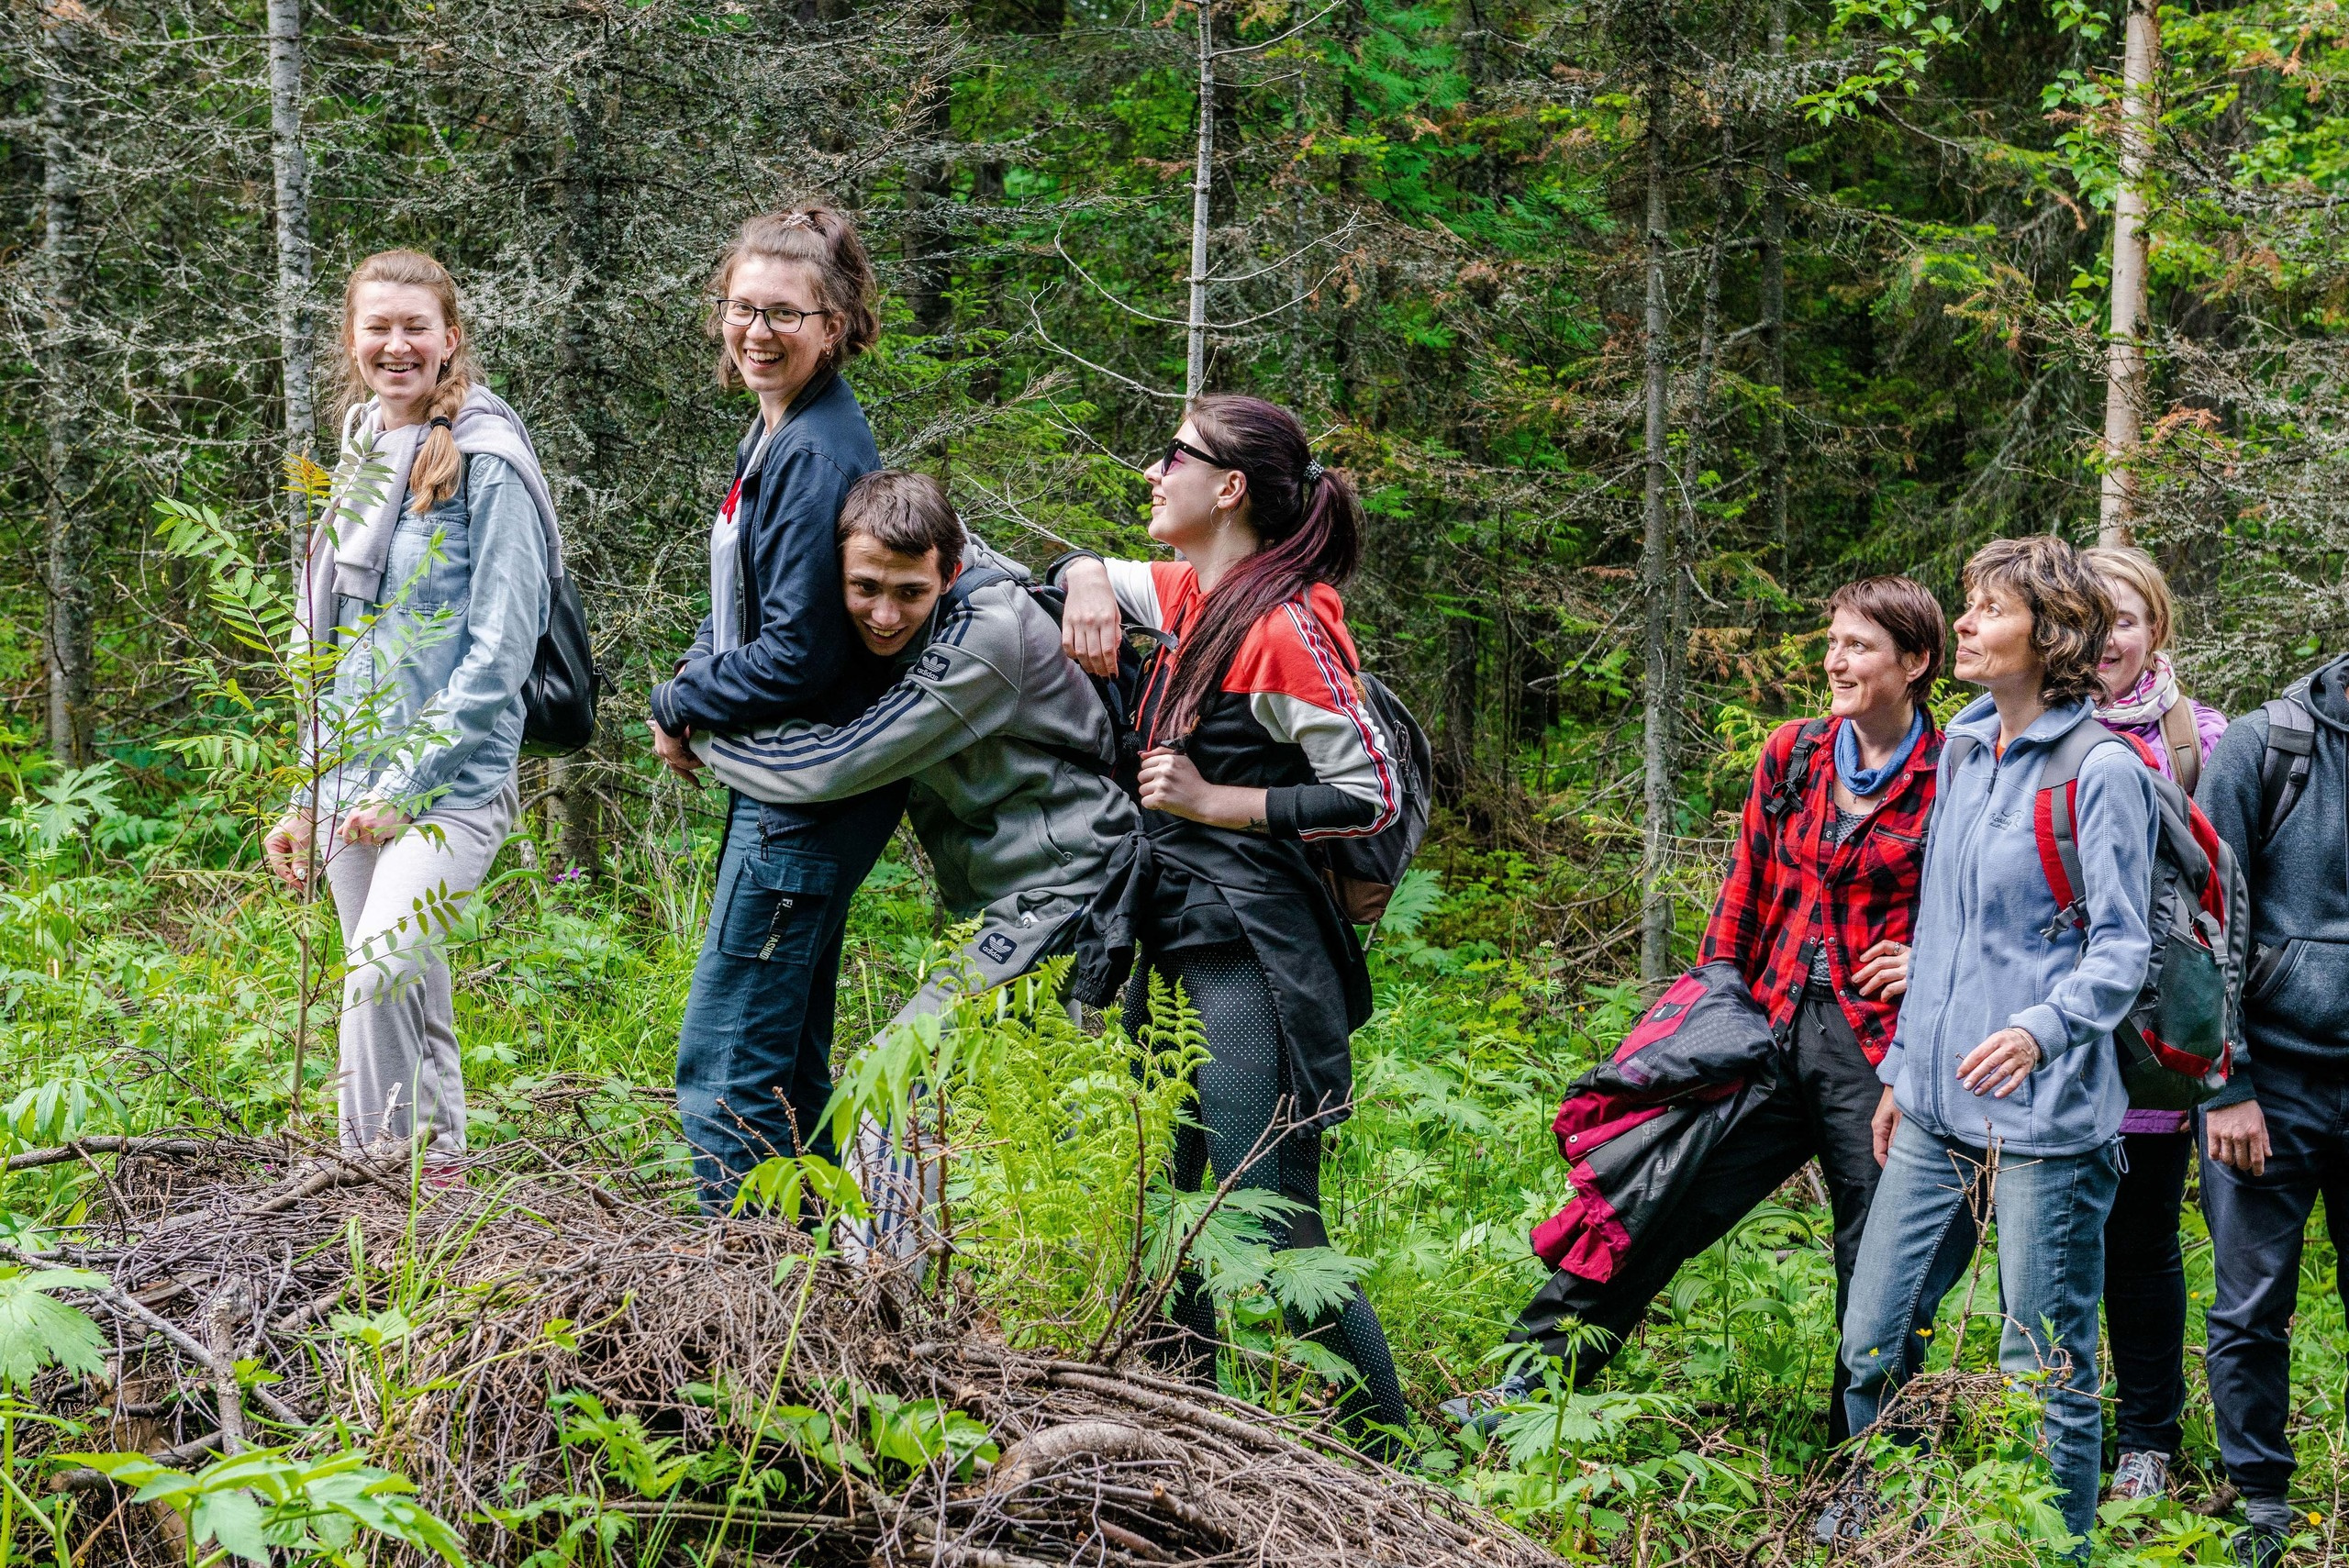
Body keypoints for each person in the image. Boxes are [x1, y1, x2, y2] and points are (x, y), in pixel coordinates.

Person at [1440, 578, 1945, 1442]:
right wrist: (1710, 1016)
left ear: (1917, 661)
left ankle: (1867, 1466)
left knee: (1878, 1263)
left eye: (1858, 646)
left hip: (1876, 1052)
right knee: (1653, 1199)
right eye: (1832, 642)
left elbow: (1982, 907)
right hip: (1767, 1026)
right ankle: (1524, 1391)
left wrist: (1936, 966)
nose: (1834, 661)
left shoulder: (1956, 775)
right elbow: (1740, 900)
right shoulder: (1795, 754)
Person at [1054, 395, 1412, 1452]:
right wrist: (1081, 577)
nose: (1152, 474)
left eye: (1174, 456)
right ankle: (1183, 1444)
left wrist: (1222, 801)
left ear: (1231, 488)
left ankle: (1389, 1456)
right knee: (1166, 1202)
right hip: (1170, 942)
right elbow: (1085, 569)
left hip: (1252, 954)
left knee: (1268, 1212)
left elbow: (1373, 787)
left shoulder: (1279, 624)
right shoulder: (1193, 591)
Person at [685, 471, 1141, 1250]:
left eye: (909, 593)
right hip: (1004, 899)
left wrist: (700, 729)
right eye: (863, 588)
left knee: (896, 1079)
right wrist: (700, 674)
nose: (884, 614)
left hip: (1070, 890)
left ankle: (879, 1302)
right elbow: (747, 612)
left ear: (948, 575)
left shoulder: (988, 639)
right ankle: (1013, 1282)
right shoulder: (888, 577)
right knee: (1045, 1114)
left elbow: (833, 765)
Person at [1822, 535, 2156, 1551]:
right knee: (1871, 1336)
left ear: (2048, 635)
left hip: (2047, 1126)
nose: (1962, 624)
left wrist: (2037, 1027)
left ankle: (2054, 1543)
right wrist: (1898, 1071)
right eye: (1966, 606)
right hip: (1931, 1108)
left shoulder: (2101, 770)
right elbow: (1938, 927)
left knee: (2042, 1363)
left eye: (1986, 610)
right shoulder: (1966, 745)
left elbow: (2122, 947)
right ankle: (1883, 1513)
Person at [263, 249, 559, 1168]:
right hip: (351, 779)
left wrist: (406, 782)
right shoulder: (359, 450)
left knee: (381, 969)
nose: (396, 344)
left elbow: (501, 649)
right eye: (378, 327)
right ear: (352, 341)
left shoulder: (489, 462)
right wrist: (309, 792)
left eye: (414, 327)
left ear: (449, 339)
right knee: (408, 1003)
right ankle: (436, 1196)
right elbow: (331, 647)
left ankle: (368, 1182)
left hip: (451, 785)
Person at [645, 206, 896, 1207]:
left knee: (727, 1065)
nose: (756, 330)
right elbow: (743, 608)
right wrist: (693, 684)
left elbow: (798, 652)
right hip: (794, 784)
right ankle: (828, 1297)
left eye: (783, 313)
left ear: (833, 324)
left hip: (808, 791)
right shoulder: (780, 428)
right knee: (786, 1057)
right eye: (741, 307)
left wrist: (677, 699)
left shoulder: (819, 452)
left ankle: (745, 1313)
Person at [2194, 649, 2349, 1568]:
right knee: (2251, 1304)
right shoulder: (2261, 748)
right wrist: (2226, 1083)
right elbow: (2203, 923)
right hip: (2270, 1085)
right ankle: (2259, 1499)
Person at [2081, 545, 2229, 1506]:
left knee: (2136, 1247)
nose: (2105, 637)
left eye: (2124, 617)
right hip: (2046, 1047)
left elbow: (2230, 902)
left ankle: (2145, 1436)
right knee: (2045, 1253)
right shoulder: (2029, 724)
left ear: (2156, 628)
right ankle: (2048, 1425)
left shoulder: (2203, 739)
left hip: (2152, 1051)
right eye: (2087, 617)